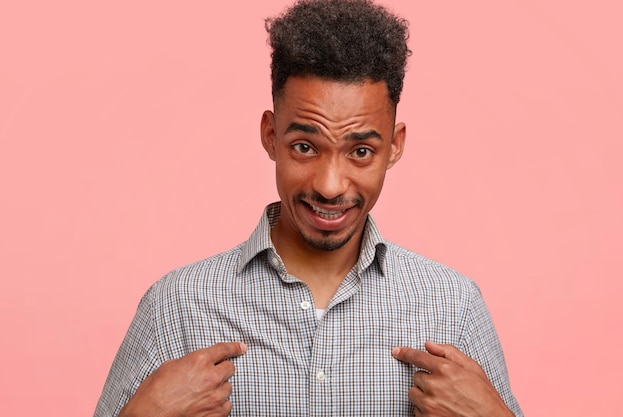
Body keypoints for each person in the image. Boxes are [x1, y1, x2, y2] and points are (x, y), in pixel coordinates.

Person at [95, 0, 523, 416]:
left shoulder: (454, 308)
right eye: (305, 147)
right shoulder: (176, 309)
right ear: (270, 135)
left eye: (360, 151)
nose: (330, 186)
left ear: (394, 146)